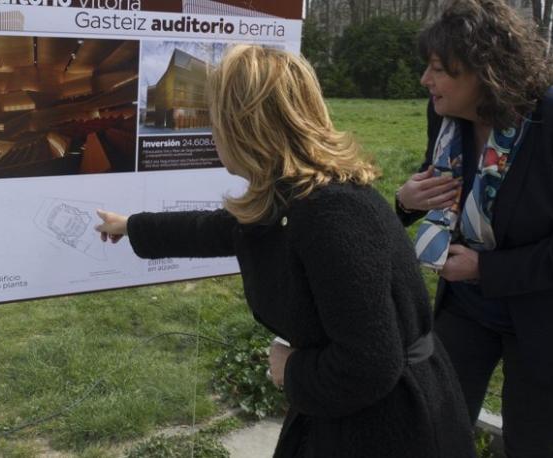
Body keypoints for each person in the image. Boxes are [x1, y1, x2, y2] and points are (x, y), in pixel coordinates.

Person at [95, 45, 476, 458]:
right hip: (355, 415)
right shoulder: (296, 196)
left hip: (392, 429)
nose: (210, 131)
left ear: (244, 125)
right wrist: (130, 227)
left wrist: (290, 369)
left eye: (214, 116)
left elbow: (369, 364)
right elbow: (221, 229)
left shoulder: (332, 214)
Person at [395, 1, 553, 457]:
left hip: (549, 313)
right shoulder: (444, 113)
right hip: (467, 306)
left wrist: (486, 268)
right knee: (436, 427)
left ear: (486, 73)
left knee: (531, 445)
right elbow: (440, 182)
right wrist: (405, 203)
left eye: (440, 70)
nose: (426, 80)